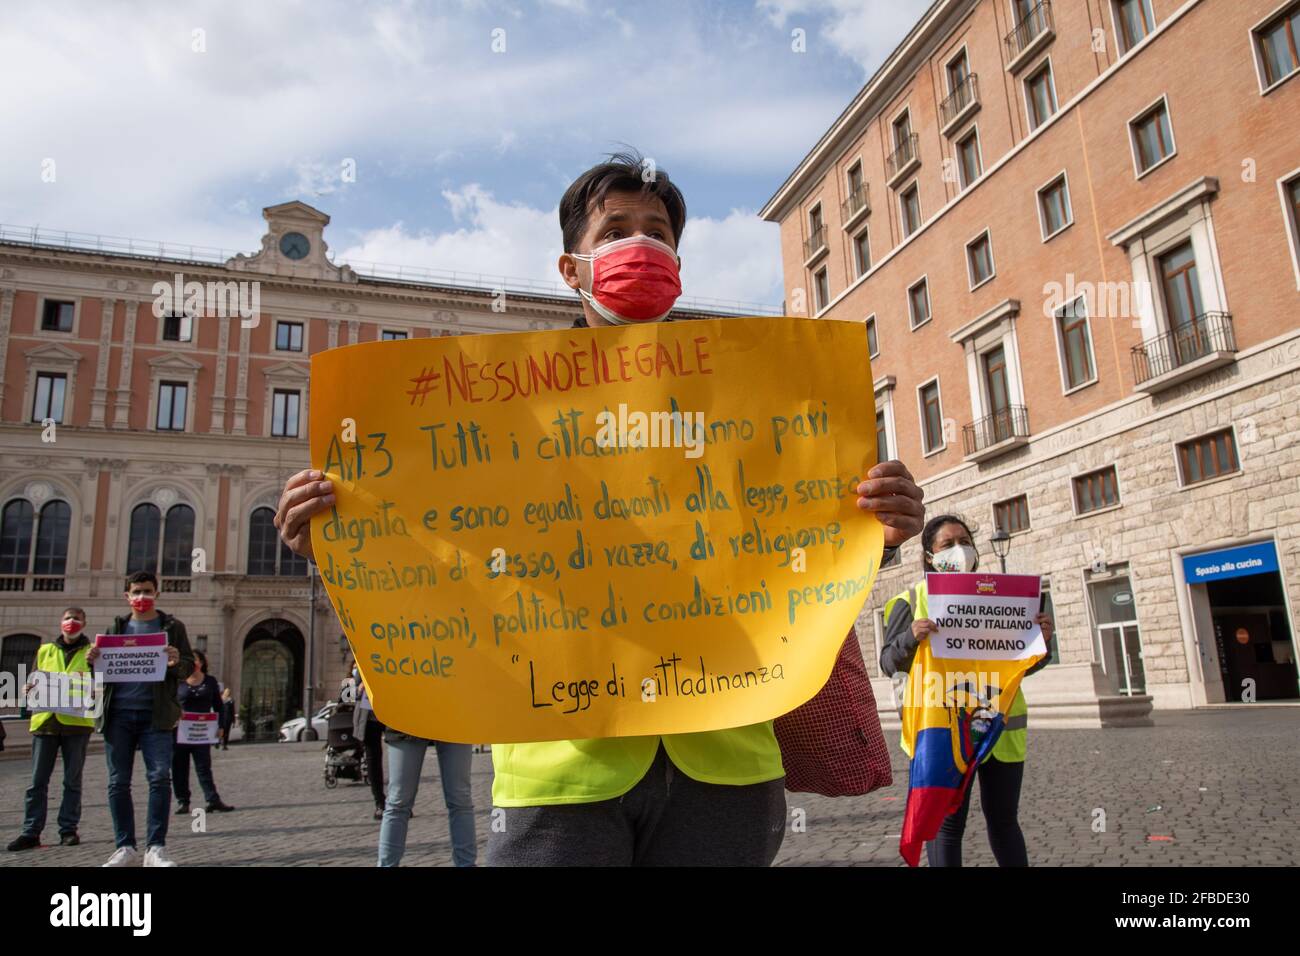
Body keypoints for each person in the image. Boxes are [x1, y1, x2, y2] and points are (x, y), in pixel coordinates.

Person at [275, 150, 926, 866]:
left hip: (727, 759)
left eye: (657, 232)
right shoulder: (502, 416)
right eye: (614, 230)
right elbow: (444, 550)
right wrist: (338, 542)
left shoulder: (756, 397)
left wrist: (878, 530)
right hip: (560, 769)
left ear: (679, 263)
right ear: (570, 268)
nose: (638, 245)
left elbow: (796, 543)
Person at [880, 514, 1055, 867]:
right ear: (930, 555)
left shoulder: (1006, 597)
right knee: (946, 828)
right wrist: (909, 638)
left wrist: (1042, 645)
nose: (959, 550)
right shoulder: (910, 599)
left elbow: (1024, 666)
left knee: (1005, 822)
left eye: (965, 542)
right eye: (947, 545)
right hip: (942, 731)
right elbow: (888, 662)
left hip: (1001, 730)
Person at [89, 570, 195, 867]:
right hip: (118, 714)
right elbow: (100, 676)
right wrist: (92, 662)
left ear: (156, 593)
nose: (142, 597)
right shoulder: (115, 628)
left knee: (159, 778)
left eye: (147, 591)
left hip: (155, 714)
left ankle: (155, 848)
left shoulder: (173, 628)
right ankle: (125, 846)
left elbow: (187, 667)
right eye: (136, 592)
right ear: (127, 596)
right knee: (117, 782)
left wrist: (176, 661)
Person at [8, 607, 94, 852]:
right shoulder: (45, 650)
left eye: (76, 619)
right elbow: (35, 678)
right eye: (68, 618)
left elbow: (100, 684)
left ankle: (68, 830)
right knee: (36, 782)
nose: (72, 622)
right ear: (60, 622)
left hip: (77, 725)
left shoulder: (92, 653)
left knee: (72, 781)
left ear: (84, 623)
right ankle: (31, 831)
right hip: (46, 722)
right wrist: (28, 689)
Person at [377, 726, 475, 867]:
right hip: (405, 721)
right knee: (398, 801)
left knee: (461, 800)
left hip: (454, 719)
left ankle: (466, 864)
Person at [174, 650, 235, 815]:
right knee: (179, 767)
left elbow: (218, 705)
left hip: (202, 731)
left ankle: (212, 799)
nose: (193, 663)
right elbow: (171, 702)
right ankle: (183, 801)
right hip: (181, 731)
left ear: (201, 662)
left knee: (203, 766)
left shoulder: (210, 681)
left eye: (195, 660)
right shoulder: (178, 681)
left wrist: (221, 726)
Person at [345, 660, 387, 820]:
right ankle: (380, 802)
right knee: (373, 760)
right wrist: (359, 688)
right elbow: (346, 697)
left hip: (391, 713)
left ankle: (399, 803)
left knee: (400, 758)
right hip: (368, 717)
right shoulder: (360, 665)